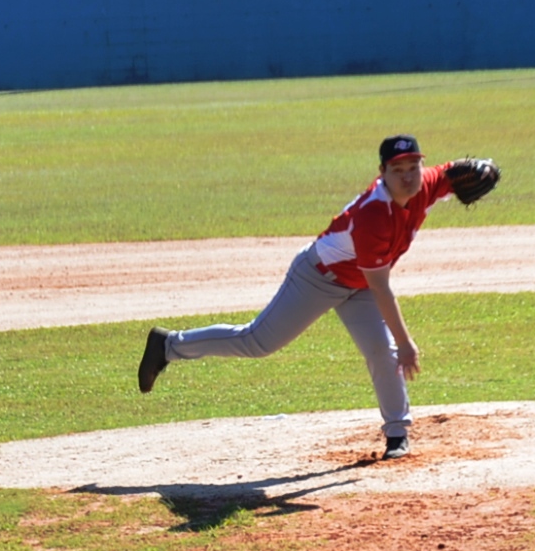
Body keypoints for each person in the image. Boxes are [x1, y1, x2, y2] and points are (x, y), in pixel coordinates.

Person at [136, 136, 499, 461]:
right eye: (397, 169)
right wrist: (407, 342)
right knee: (257, 341)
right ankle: (169, 346)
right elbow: (380, 287)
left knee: (380, 351)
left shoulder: (426, 183)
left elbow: (453, 172)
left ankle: (396, 435)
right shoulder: (374, 213)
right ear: (382, 173)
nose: (407, 176)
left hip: (359, 283)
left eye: (413, 166)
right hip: (319, 277)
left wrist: (486, 167)